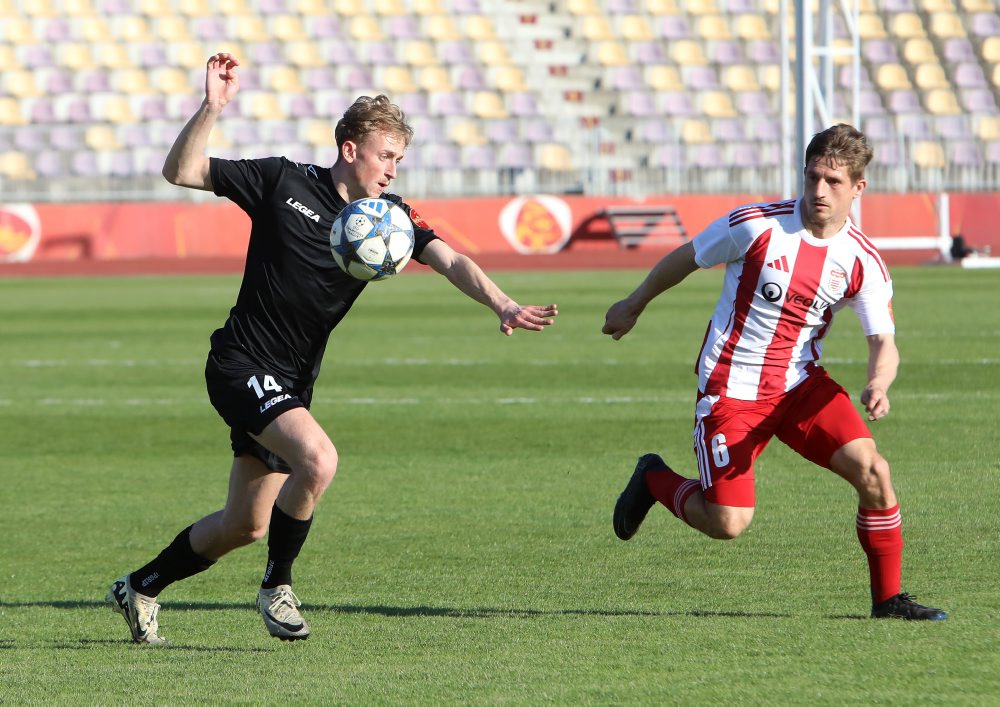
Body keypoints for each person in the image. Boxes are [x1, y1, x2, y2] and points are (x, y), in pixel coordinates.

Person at [106, 52, 558, 644]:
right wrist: (211, 109)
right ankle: (278, 589)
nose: (394, 170)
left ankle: (140, 586)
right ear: (351, 149)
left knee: (245, 525)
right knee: (318, 460)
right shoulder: (281, 180)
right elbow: (182, 170)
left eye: (400, 158)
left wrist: (501, 303)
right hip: (240, 362)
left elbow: (450, 258)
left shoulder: (389, 218)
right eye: (386, 155)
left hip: (292, 381)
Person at [603, 124, 946, 621]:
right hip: (731, 387)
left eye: (833, 181)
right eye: (812, 178)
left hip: (800, 385)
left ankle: (888, 600)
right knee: (727, 522)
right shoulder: (756, 225)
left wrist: (878, 382)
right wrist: (634, 304)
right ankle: (654, 478)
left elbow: (882, 341)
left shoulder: (863, 261)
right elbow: (687, 257)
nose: (819, 190)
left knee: (875, 472)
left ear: (858, 188)